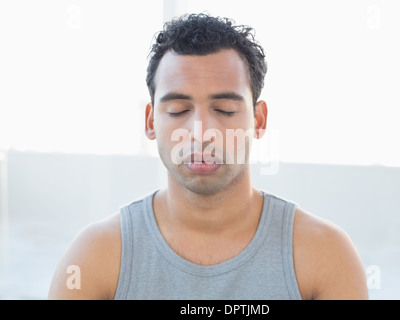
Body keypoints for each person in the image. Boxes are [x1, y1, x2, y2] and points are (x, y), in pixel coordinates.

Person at [48, 13, 368, 300]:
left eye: (224, 110)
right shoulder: (94, 257)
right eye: (178, 110)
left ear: (258, 120)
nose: (201, 132)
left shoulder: (326, 255)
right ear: (150, 122)